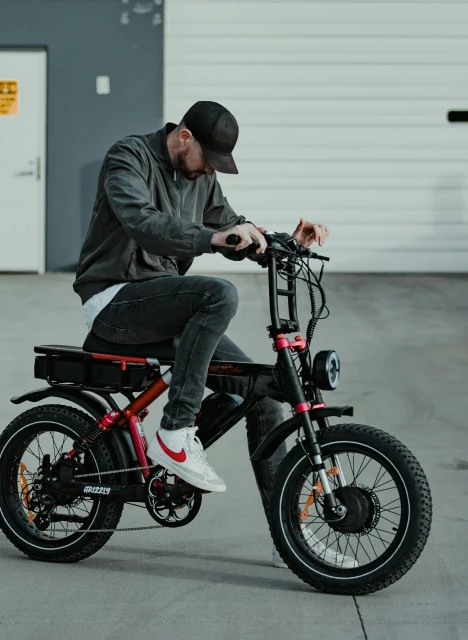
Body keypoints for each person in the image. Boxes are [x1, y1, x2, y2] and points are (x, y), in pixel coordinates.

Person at [74, 101, 337, 568]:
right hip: (115, 298)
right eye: (207, 162)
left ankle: (289, 535)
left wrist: (282, 241)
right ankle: (175, 432)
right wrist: (209, 239)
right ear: (185, 138)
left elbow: (230, 228)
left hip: (166, 304)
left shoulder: (201, 178)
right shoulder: (128, 158)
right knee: (219, 294)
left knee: (261, 393)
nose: (208, 173)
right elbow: (143, 223)